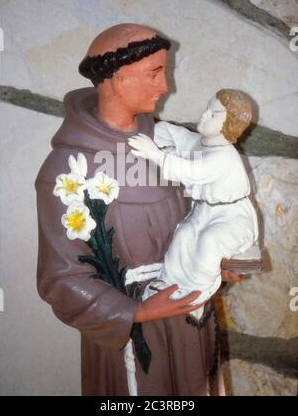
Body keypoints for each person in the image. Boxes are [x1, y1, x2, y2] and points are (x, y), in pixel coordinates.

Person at [35, 23, 237, 396]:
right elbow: (59, 279)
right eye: (155, 73)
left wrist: (211, 259)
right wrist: (137, 313)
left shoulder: (168, 145)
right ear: (116, 78)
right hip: (131, 338)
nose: (165, 87)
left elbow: (197, 215)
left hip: (190, 318)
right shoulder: (67, 171)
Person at [128, 89, 259, 320]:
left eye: (214, 113)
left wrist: (155, 155)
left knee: (209, 242)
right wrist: (152, 133)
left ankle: (197, 295)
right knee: (185, 234)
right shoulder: (202, 143)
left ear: (231, 124)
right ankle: (168, 282)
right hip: (205, 210)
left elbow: (192, 171)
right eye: (207, 108)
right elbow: (177, 135)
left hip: (232, 216)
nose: (205, 114)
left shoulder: (224, 156)